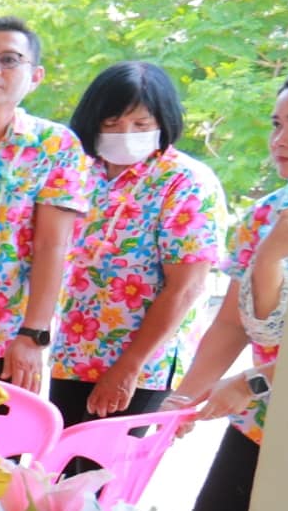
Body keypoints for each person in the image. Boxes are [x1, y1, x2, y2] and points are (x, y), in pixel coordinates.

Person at [169, 63, 288, 511]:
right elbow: (235, 321)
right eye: (278, 124)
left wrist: (251, 382)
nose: (281, 138)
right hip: (262, 414)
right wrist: (184, 400)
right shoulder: (266, 213)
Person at [51, 62, 224, 428]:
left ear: (163, 122)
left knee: (104, 473)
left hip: (142, 366)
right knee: (60, 472)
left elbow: (186, 287)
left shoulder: (186, 181)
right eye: (111, 123)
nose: (125, 134)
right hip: (75, 352)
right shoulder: (83, 172)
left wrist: (129, 366)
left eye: (141, 124)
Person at [0, 18, 91, 392]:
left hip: (7, 340)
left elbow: (51, 246)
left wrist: (32, 334)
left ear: (35, 75)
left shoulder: (56, 145)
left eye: (9, 60)